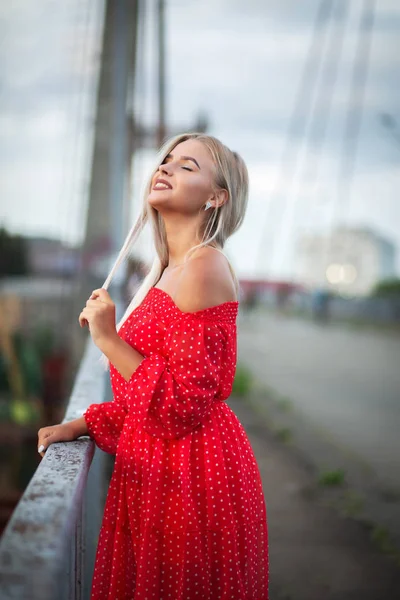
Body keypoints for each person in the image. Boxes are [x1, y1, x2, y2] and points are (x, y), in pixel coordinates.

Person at [37, 133, 269, 599]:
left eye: (188, 166)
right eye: (166, 160)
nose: (165, 168)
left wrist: (106, 338)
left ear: (216, 197)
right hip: (157, 468)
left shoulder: (205, 268)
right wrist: (82, 423)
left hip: (191, 477)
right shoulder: (167, 270)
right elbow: (143, 390)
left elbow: (181, 404)